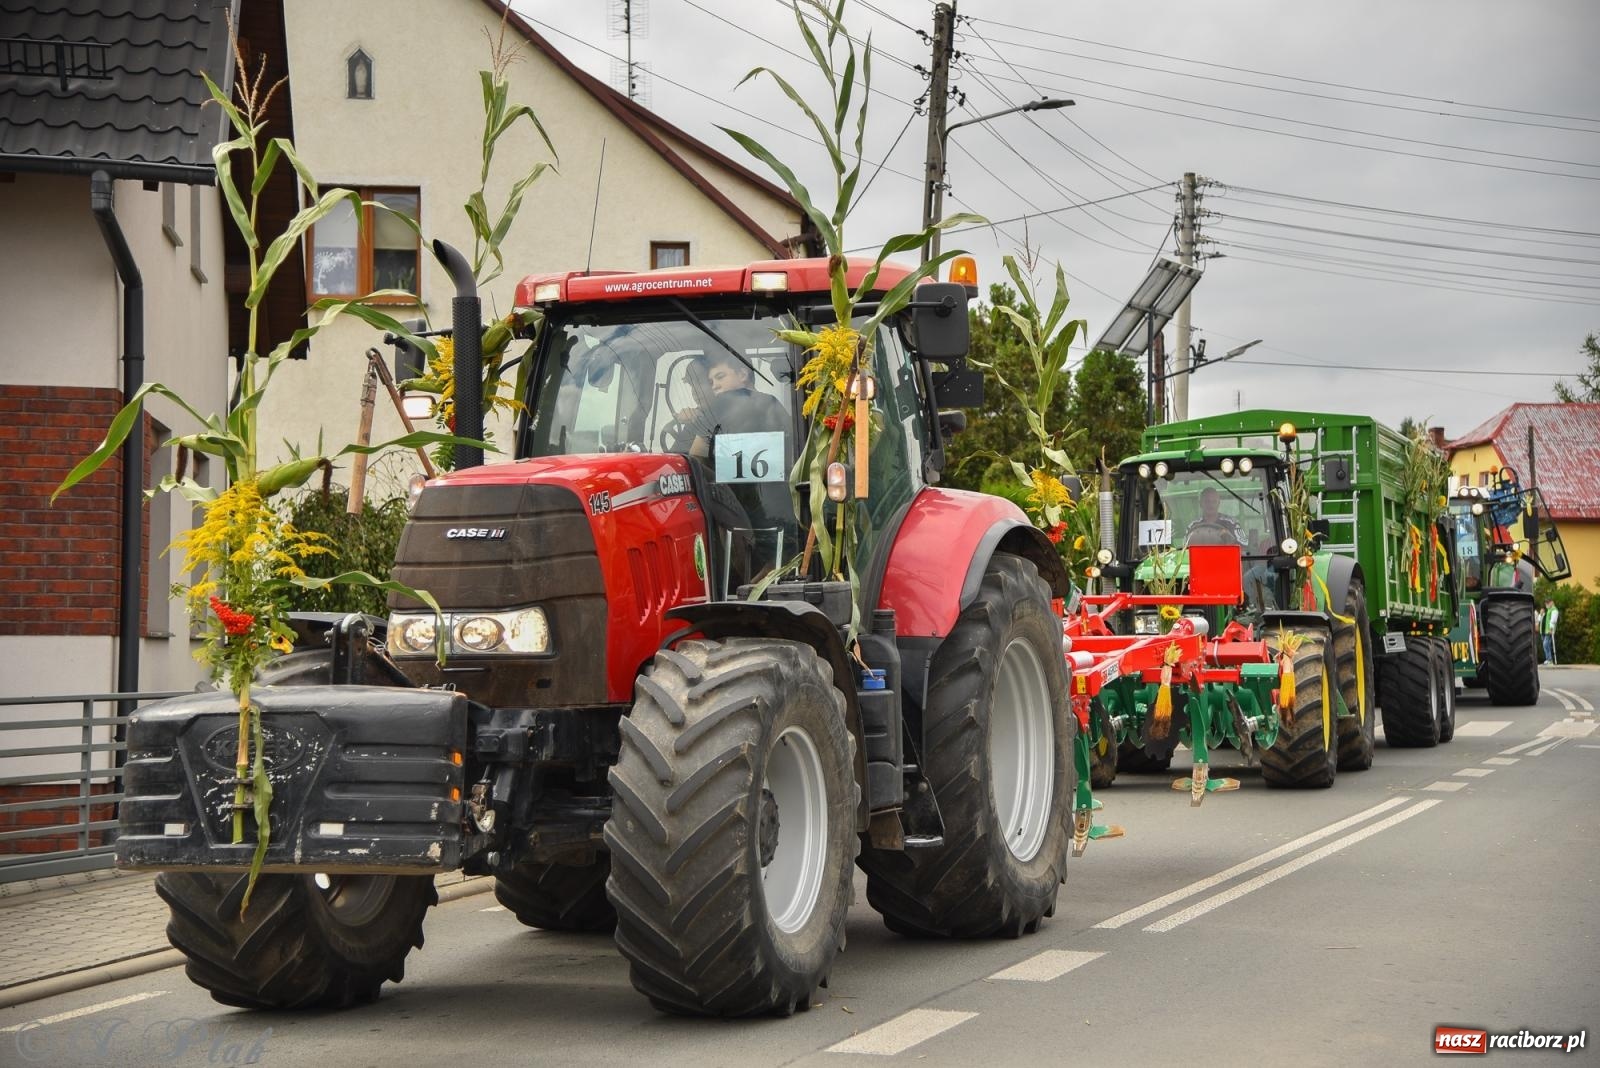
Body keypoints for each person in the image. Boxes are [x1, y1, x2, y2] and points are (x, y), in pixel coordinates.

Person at [1540, 598, 1560, 665]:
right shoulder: (1549, 610)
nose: (1546, 604)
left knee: (1545, 644)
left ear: (1552, 602)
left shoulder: (1554, 610)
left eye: (1548, 603)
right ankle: (1548, 659)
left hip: (1550, 630)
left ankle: (1550, 660)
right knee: (1546, 645)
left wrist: (1551, 628)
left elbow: (1553, 620)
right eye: (1546, 603)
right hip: (1547, 630)